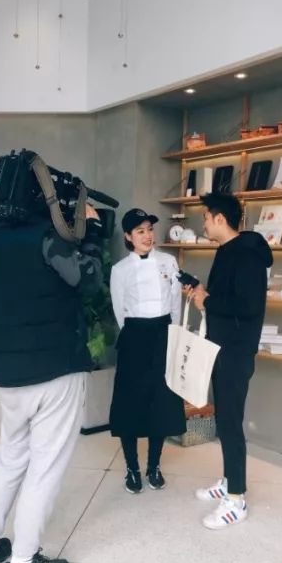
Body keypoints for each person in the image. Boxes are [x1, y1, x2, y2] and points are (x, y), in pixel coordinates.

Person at [0, 173, 107, 563]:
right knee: (44, 467)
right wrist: (94, 230)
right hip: (54, 370)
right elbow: (90, 279)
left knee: (9, 460)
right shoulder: (45, 240)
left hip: (7, 377)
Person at [183, 192, 273, 529]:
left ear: (220, 219)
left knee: (231, 424)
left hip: (235, 352)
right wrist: (206, 296)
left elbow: (247, 307)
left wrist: (208, 301)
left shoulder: (247, 255)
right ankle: (227, 480)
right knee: (224, 421)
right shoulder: (227, 252)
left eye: (205, 217)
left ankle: (237, 499)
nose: (203, 223)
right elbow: (226, 299)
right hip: (221, 348)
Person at [109, 208, 185, 494]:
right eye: (140, 231)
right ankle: (132, 468)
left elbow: (175, 302)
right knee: (130, 404)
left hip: (163, 334)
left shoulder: (168, 261)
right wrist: (135, 333)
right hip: (135, 337)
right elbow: (119, 309)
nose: (147, 236)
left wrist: (172, 335)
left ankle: (154, 466)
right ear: (128, 237)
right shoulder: (120, 269)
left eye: (150, 230)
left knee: (161, 403)